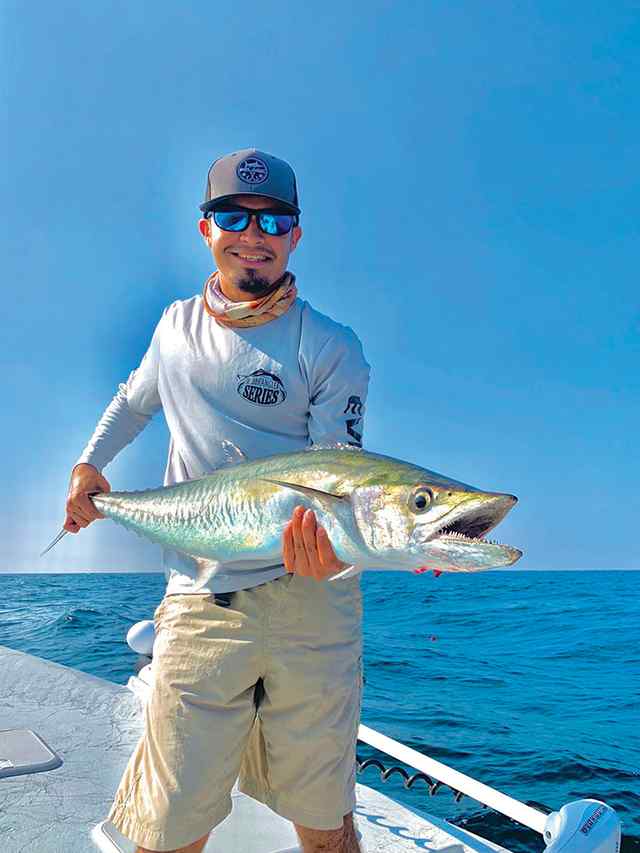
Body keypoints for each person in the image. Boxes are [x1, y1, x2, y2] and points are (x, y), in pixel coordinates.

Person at [64, 149, 370, 853]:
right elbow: (132, 401)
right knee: (170, 826)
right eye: (233, 215)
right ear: (206, 228)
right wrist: (89, 467)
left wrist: (346, 550)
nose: (253, 233)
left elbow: (340, 477)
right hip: (201, 598)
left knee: (325, 822)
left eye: (274, 218)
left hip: (311, 604)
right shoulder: (174, 328)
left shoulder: (330, 346)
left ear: (296, 233)